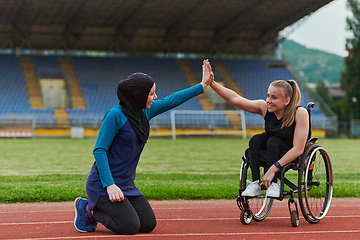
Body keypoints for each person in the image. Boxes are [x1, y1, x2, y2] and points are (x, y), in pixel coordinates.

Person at [73, 60, 213, 235]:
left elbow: (171, 100)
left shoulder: (144, 112)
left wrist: (202, 85)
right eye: (151, 93)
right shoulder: (115, 115)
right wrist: (109, 185)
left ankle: (108, 207)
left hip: (126, 184)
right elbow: (99, 150)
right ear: (137, 95)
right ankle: (88, 208)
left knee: (148, 224)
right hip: (102, 185)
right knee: (129, 226)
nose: (155, 97)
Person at [208, 64, 309, 198]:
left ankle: (273, 184)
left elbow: (298, 149)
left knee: (273, 141)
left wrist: (273, 169)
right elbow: (236, 99)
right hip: (272, 146)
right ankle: (256, 183)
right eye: (268, 96)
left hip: (289, 149)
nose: (268, 101)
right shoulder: (264, 108)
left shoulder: (299, 112)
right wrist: (213, 84)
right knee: (256, 140)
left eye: (274, 97)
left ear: (287, 101)